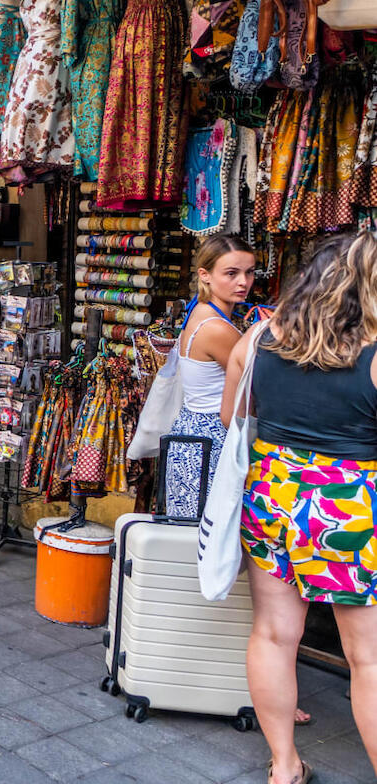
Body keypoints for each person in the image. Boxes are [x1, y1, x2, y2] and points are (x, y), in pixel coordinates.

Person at [223, 232, 377, 784]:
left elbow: (232, 419)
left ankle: (284, 766)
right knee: (369, 660)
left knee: (272, 634)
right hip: (347, 503)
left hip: (271, 491)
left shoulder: (261, 335)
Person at [163, 234, 256, 518]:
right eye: (231, 273)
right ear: (205, 275)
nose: (243, 282)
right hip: (212, 437)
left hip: (194, 432)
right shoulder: (217, 328)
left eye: (249, 272)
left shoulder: (201, 314)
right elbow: (253, 385)